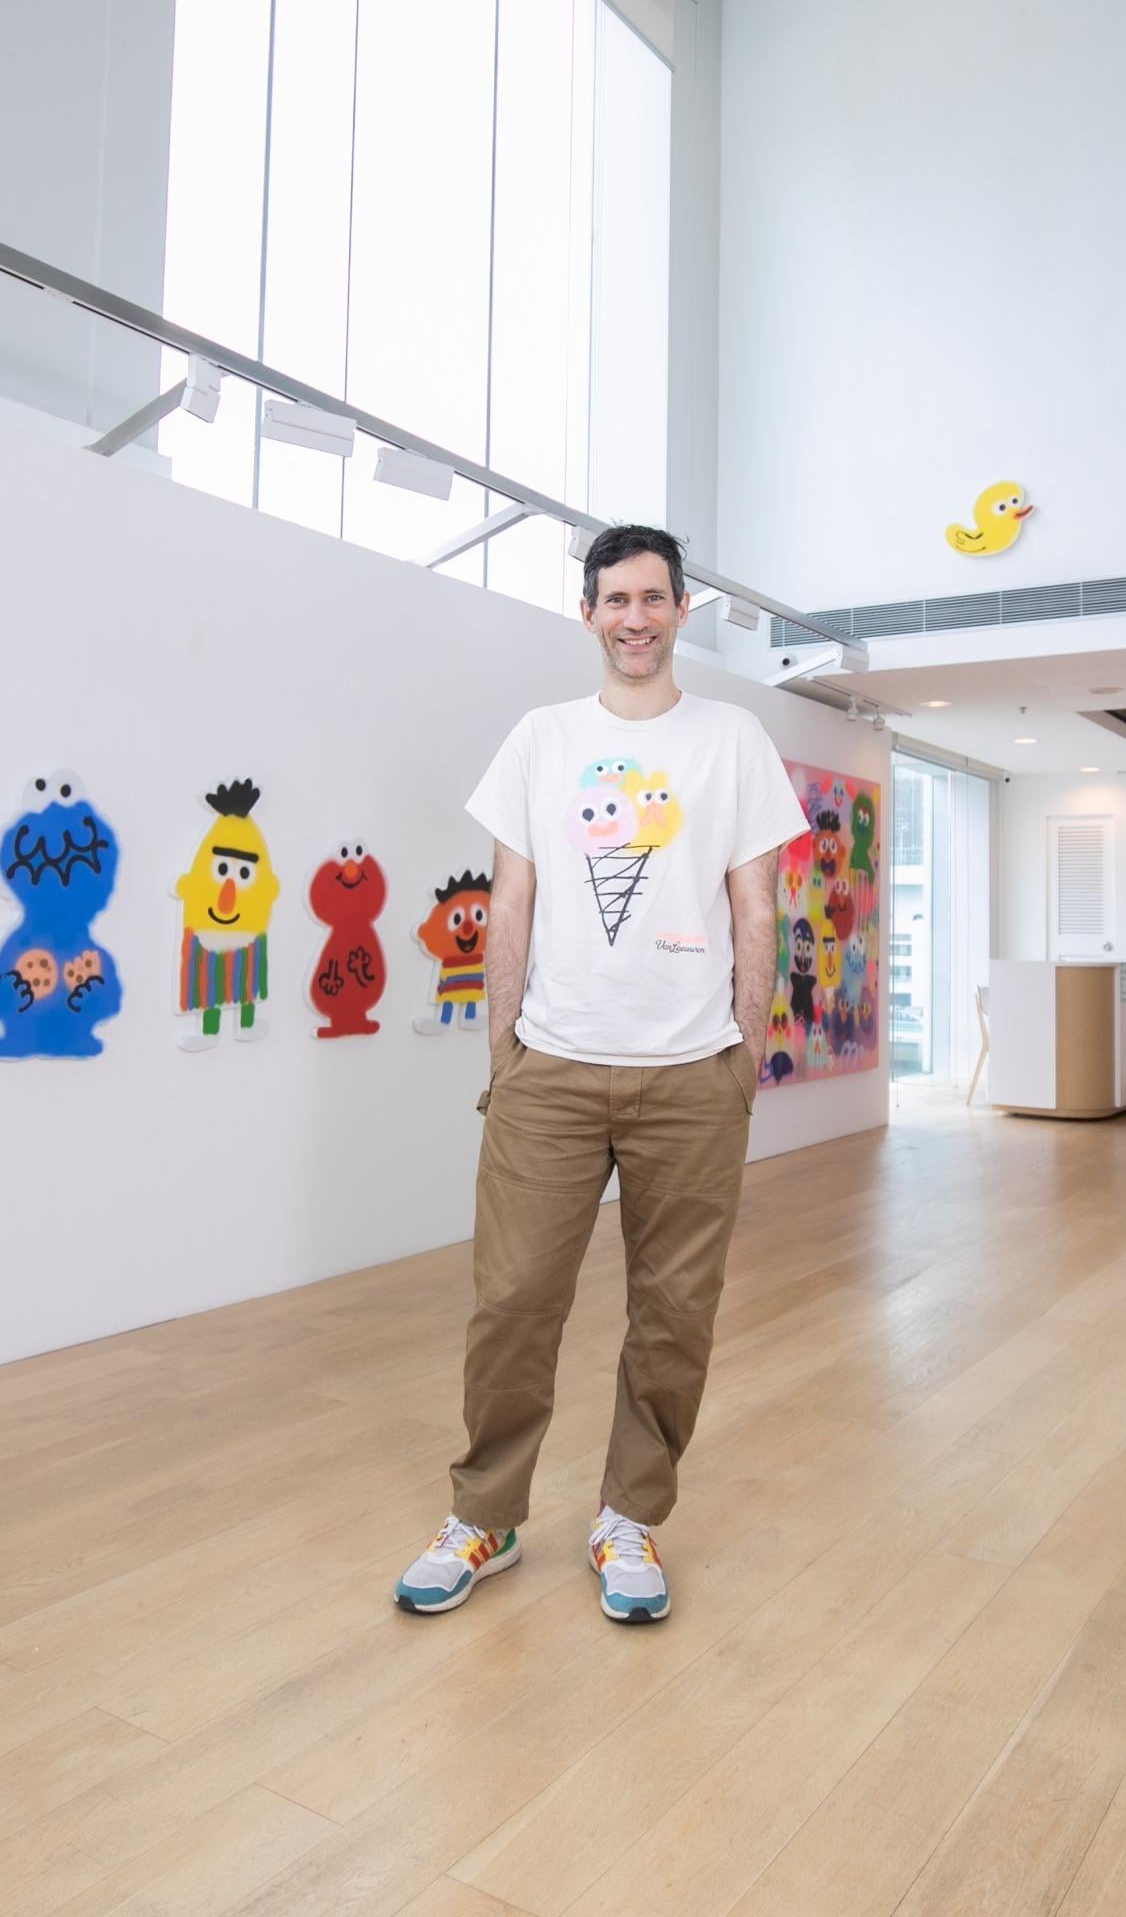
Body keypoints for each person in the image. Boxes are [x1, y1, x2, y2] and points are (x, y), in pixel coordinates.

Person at [394, 524, 806, 1624]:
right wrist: (504, 1054)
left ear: (682, 610)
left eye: (653, 598)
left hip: (693, 1075)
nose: (635, 618)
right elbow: (511, 902)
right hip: (553, 1071)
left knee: (674, 1314)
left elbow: (757, 908)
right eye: (616, 599)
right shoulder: (542, 738)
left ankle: (629, 1517)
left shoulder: (733, 739)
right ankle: (485, 1516)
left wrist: (742, 1057)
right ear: (587, 613)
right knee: (512, 1301)